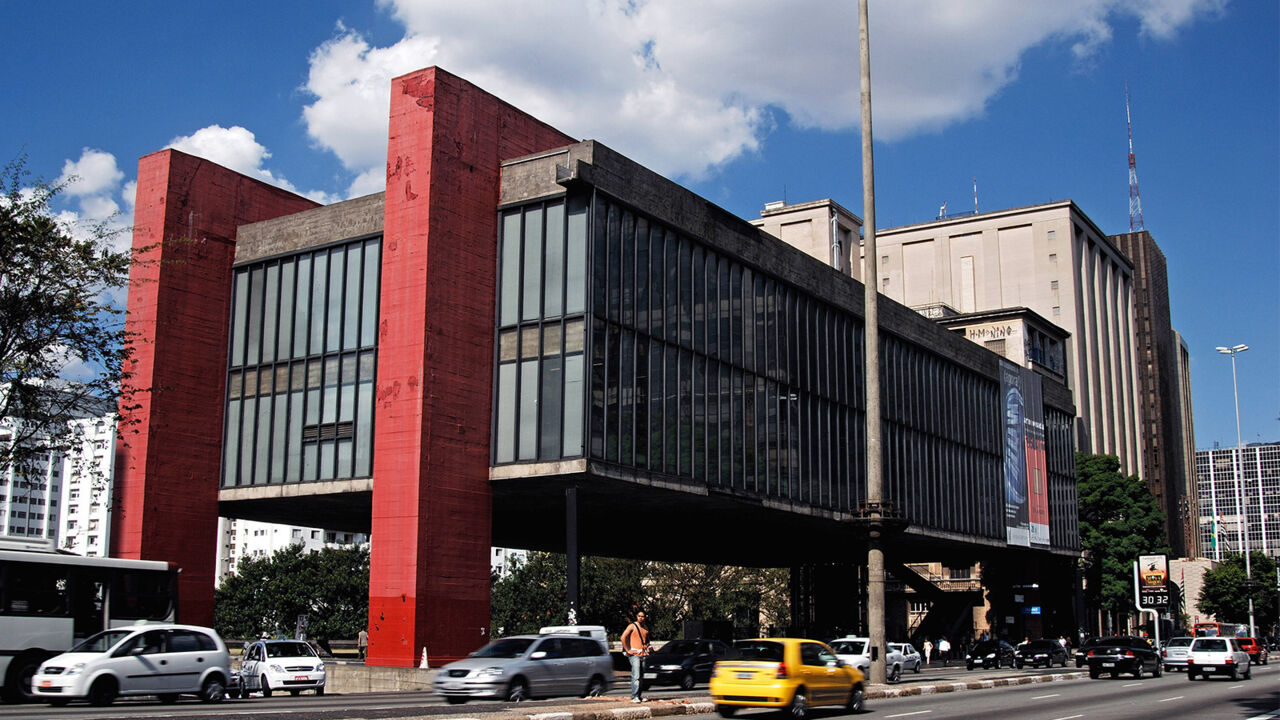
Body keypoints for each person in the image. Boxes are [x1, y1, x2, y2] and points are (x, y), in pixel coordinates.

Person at [620, 610, 652, 703]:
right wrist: (628, 649)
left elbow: (647, 641)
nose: (641, 618)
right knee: (636, 675)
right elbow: (623, 637)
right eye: (639, 616)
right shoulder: (632, 626)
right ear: (636, 617)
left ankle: (639, 696)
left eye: (642, 616)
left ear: (645, 617)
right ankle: (634, 696)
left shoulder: (645, 628)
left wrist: (648, 647)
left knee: (641, 676)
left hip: (643, 654)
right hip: (634, 655)